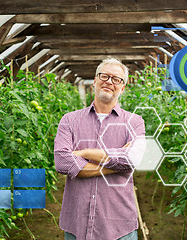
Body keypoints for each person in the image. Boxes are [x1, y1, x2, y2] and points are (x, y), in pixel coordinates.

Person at [54, 58, 145, 240]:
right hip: (77, 223)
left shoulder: (134, 122)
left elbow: (133, 159)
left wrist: (85, 154)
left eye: (117, 79)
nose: (109, 82)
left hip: (119, 226)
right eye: (104, 76)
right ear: (95, 81)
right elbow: (63, 162)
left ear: (123, 87)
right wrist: (117, 164)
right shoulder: (69, 120)